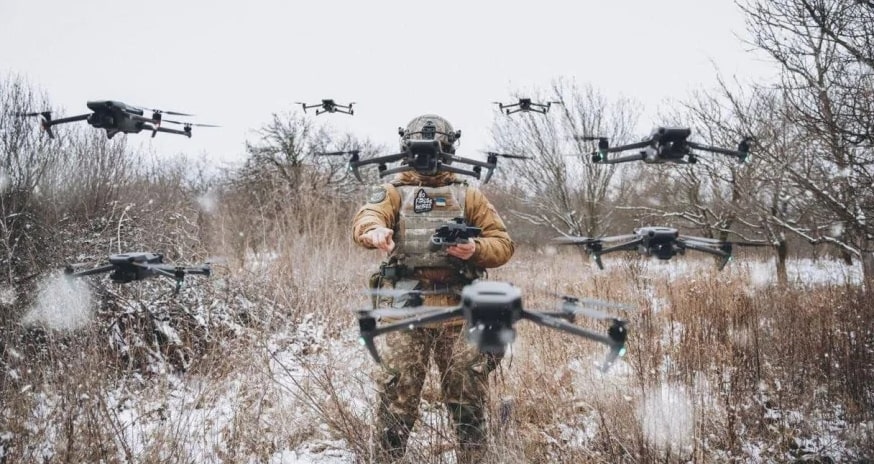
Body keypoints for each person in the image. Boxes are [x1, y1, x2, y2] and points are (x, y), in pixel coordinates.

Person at [351, 114, 515, 463]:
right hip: (406, 310)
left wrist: (476, 250)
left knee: (467, 395)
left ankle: (473, 457)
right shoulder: (394, 192)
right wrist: (375, 232)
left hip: (459, 312)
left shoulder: (468, 194)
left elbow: (503, 243)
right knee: (397, 393)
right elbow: (367, 217)